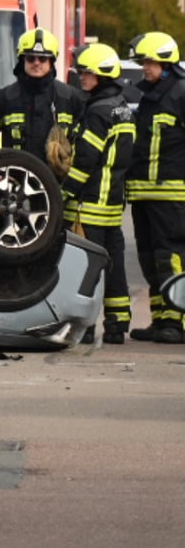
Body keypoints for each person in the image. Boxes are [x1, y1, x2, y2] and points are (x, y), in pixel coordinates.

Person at [63, 44, 135, 344]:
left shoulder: (97, 112)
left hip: (89, 204)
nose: (82, 77)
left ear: (102, 76)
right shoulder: (121, 107)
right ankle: (117, 325)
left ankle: (87, 325)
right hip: (112, 205)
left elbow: (85, 161)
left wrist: (64, 192)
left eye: (87, 73)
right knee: (114, 266)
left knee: (86, 268)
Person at [126, 31, 185, 344]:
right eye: (143, 62)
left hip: (171, 195)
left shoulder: (180, 93)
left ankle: (176, 321)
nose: (144, 68)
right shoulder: (150, 97)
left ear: (166, 62)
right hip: (143, 194)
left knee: (169, 257)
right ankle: (161, 319)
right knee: (149, 259)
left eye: (149, 62)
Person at [0, 28, 85, 180]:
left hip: (58, 188)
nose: (36, 63)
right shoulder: (6, 98)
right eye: (30, 58)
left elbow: (86, 147)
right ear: (22, 60)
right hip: (15, 187)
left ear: (52, 61)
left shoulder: (69, 98)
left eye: (42, 59)